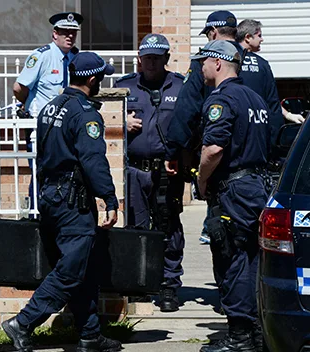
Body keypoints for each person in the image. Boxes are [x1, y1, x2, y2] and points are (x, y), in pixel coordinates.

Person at [2, 52, 121, 352]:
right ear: (93, 80)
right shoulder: (85, 114)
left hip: (51, 198)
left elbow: (42, 156)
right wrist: (109, 198)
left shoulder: (49, 107)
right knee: (70, 270)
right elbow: (93, 161)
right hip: (73, 202)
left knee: (83, 267)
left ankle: (90, 335)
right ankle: (23, 323)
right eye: (101, 78)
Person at [164, 10, 283, 247]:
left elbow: (186, 110)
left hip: (222, 171)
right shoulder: (261, 65)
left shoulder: (206, 63)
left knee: (227, 246)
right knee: (253, 244)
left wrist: (174, 151)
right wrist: (270, 156)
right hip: (258, 172)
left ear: (213, 33)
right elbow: (274, 116)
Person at [192, 40, 270, 352]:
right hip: (256, 185)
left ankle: (239, 337)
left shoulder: (222, 99)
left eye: (204, 61)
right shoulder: (255, 98)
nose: (201, 67)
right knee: (253, 258)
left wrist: (200, 180)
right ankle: (254, 331)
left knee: (233, 257)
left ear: (219, 64)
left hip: (233, 190)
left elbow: (213, 149)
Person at [113, 33, 185, 312]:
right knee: (136, 229)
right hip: (133, 171)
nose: (152, 62)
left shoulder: (181, 87)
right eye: (147, 57)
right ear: (139, 59)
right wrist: (121, 120)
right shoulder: (123, 87)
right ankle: (140, 283)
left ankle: (169, 286)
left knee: (169, 228)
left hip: (168, 171)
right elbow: (100, 120)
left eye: (158, 57)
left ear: (166, 58)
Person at [14, 12, 83, 215]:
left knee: (65, 172)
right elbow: (19, 87)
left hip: (66, 126)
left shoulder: (77, 58)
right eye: (65, 32)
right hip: (42, 127)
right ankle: (37, 214)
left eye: (73, 33)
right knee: (41, 172)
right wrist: (29, 106)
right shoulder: (42, 56)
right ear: (55, 34)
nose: (70, 36)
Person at [236, 19, 304, 124]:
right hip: (259, 126)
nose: (262, 39)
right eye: (259, 36)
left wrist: (288, 114)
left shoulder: (227, 61)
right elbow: (271, 101)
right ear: (248, 38)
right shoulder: (262, 64)